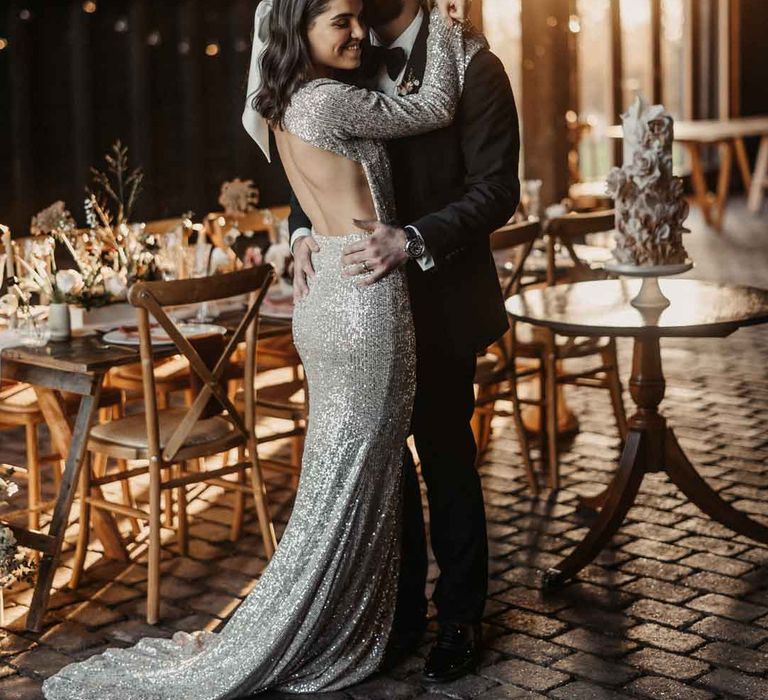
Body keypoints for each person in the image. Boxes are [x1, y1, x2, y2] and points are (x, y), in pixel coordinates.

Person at [42, 0, 481, 697]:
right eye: (340, 19)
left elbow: (319, 191)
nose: (358, 33)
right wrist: (453, 30)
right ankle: (331, 622)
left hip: (326, 292)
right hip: (365, 298)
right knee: (358, 469)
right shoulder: (332, 99)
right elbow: (431, 107)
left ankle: (359, 616)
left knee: (347, 468)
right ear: (296, 28)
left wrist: (302, 236)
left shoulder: (276, 102)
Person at [290, 0, 520, 684]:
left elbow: (496, 191)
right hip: (364, 309)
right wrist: (301, 232)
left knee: (447, 457)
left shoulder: (476, 66)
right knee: (382, 467)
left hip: (442, 300)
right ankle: (398, 619)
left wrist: (412, 238)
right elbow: (311, 154)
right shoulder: (343, 58)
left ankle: (459, 616)